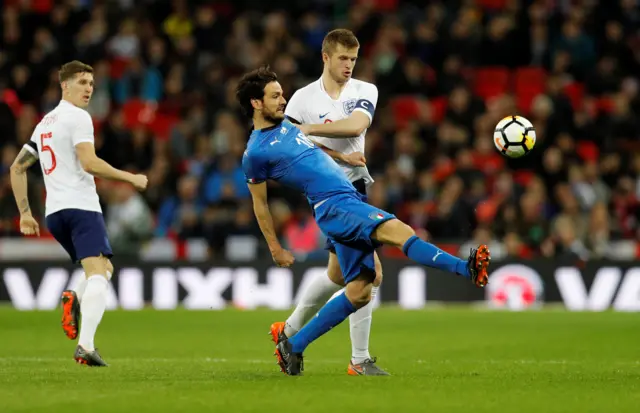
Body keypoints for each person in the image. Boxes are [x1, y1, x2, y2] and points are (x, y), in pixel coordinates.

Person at [236, 66, 490, 376]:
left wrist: (344, 158)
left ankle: (295, 344)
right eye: (275, 96)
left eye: (282, 93)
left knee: (359, 290)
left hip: (345, 202)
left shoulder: (287, 126)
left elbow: (311, 147)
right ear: (255, 103)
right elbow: (260, 204)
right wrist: (275, 248)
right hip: (335, 205)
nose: (283, 99)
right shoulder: (256, 153)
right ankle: (466, 269)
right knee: (401, 232)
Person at [9, 60, 148, 366]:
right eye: (82, 82)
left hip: (54, 214)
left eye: (91, 83)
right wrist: (130, 177)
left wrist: (25, 213)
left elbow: (17, 167)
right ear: (65, 86)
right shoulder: (78, 118)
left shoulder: (44, 123)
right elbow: (89, 162)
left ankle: (73, 294)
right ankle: (85, 345)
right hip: (81, 207)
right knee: (100, 276)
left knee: (103, 269)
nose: (89, 88)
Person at [270, 28, 388, 376]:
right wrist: (311, 142)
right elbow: (286, 146)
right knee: (369, 276)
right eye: (342, 58)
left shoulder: (365, 90)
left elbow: (355, 126)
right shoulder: (302, 100)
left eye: (353, 58)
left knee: (337, 274)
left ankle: (288, 330)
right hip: (328, 194)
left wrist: (306, 131)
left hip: (355, 189)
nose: (349, 65)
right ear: (325, 57)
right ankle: (359, 359)